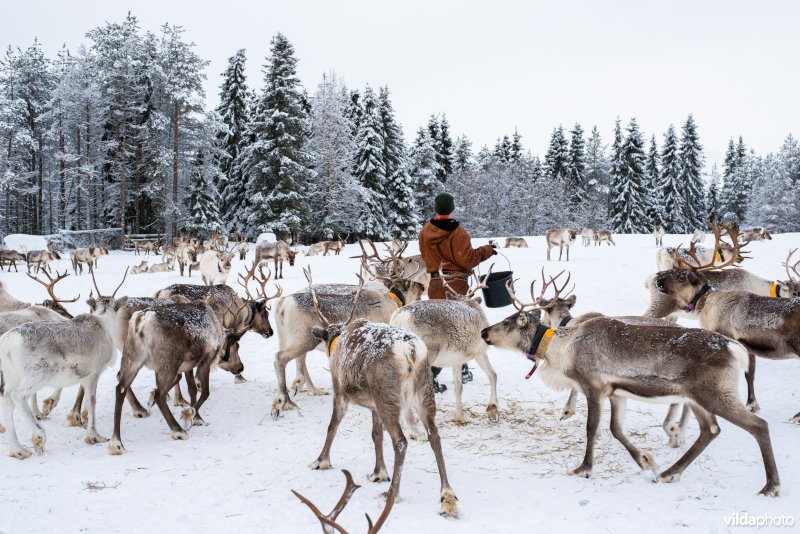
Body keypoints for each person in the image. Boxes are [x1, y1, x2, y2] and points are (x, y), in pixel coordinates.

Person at [418, 192, 496, 392]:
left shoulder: (425, 232)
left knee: (439, 329)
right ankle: (431, 377)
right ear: (452, 208)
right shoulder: (458, 233)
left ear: (436, 209)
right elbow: (468, 260)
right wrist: (488, 250)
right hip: (456, 286)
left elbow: (426, 256)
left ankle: (462, 370)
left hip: (436, 284)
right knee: (459, 328)